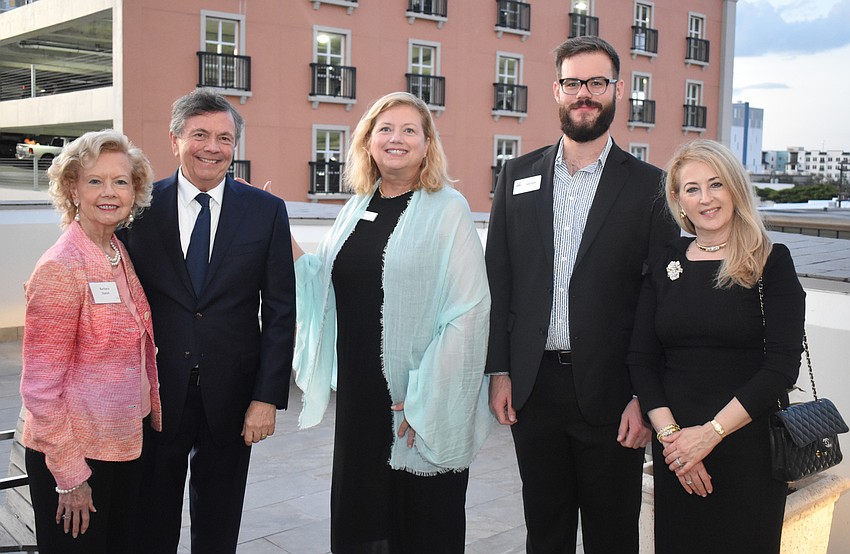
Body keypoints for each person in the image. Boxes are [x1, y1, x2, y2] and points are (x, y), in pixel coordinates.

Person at [485, 36, 680, 553]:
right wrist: (500, 370)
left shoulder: (651, 187)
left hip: (615, 393)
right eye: (574, 83)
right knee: (544, 530)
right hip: (533, 387)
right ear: (556, 90)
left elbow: (659, 299)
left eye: (597, 83)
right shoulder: (517, 174)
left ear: (617, 91)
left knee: (611, 534)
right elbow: (499, 277)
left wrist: (645, 396)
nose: (584, 94)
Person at [292, 91, 492, 553]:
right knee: (360, 520)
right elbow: (323, 280)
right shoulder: (355, 206)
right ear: (367, 141)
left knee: (419, 522)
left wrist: (425, 397)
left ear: (427, 145)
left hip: (415, 398)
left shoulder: (449, 209)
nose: (395, 138)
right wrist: (274, 228)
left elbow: (469, 311)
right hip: (361, 400)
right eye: (384, 129)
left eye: (408, 130)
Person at [120, 88, 296, 553]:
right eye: (200, 134)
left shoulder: (266, 212)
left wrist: (267, 398)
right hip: (154, 394)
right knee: (150, 519)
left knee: (219, 525)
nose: (212, 147)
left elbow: (280, 311)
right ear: (175, 138)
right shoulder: (137, 209)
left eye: (224, 137)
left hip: (233, 397)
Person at [628, 139, 805, 553]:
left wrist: (709, 435)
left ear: (735, 190)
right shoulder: (665, 259)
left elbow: (781, 367)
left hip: (748, 450)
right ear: (678, 200)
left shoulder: (770, 261)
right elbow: (641, 357)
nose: (706, 199)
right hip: (677, 450)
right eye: (692, 189)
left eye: (716, 184)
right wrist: (674, 440)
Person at [21, 130, 161, 553]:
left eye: (121, 181)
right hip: (76, 455)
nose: (110, 192)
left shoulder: (115, 250)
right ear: (72, 189)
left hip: (124, 443)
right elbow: (41, 391)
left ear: (135, 191)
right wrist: (69, 475)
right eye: (95, 181)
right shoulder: (62, 267)